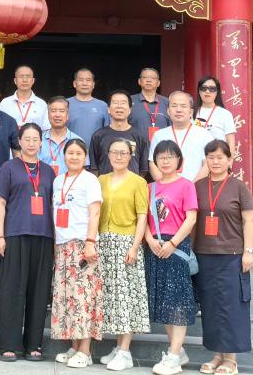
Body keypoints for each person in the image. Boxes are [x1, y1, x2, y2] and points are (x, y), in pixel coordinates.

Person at [0, 123, 56, 363]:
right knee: (11, 290)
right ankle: (7, 344)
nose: (30, 143)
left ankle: (33, 344)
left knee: (38, 292)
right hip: (15, 234)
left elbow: (53, 205)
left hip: (44, 236)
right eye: (26, 138)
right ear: (19, 141)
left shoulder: (49, 172)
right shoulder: (8, 168)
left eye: (35, 139)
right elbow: (0, 203)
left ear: (41, 143)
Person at [194, 140, 253, 375]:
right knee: (210, 307)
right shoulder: (198, 186)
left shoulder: (239, 187)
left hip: (232, 255)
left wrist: (248, 251)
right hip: (204, 254)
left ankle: (231, 359)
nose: (215, 161)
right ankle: (216, 356)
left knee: (232, 306)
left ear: (230, 160)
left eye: (220, 157)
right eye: (211, 157)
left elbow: (248, 220)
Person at [144, 140, 199, 375]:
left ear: (179, 160)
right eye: (161, 157)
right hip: (155, 247)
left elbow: (191, 218)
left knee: (177, 301)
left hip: (176, 246)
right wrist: (149, 240)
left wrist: (173, 243)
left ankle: (174, 356)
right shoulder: (150, 187)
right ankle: (177, 351)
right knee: (165, 302)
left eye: (170, 157)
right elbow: (143, 218)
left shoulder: (186, 185)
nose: (165, 161)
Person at [97, 138, 150, 372]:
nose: (118, 157)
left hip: (126, 242)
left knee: (126, 296)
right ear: (108, 155)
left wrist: (135, 246)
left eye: (123, 153)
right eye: (115, 152)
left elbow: (142, 217)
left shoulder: (139, 182)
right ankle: (118, 347)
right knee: (113, 297)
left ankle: (126, 351)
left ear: (130, 156)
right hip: (104, 242)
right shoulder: (100, 180)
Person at [51, 138, 103, 369]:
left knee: (83, 297)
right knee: (67, 297)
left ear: (85, 157)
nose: (73, 157)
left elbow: (95, 213)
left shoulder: (90, 180)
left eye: (78, 153)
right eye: (70, 153)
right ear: (64, 156)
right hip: (63, 245)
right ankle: (74, 346)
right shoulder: (58, 180)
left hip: (83, 244)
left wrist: (90, 242)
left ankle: (85, 350)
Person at [149, 91, 211, 183]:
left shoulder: (204, 134)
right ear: (168, 111)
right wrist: (168, 186)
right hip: (167, 189)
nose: (178, 110)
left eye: (183, 106)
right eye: (174, 106)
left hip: (196, 188)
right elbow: (153, 163)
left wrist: (190, 186)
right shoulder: (159, 135)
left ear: (191, 112)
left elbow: (208, 164)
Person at [89, 90, 150, 177]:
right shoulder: (98, 136)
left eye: (123, 103)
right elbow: (94, 168)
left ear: (130, 110)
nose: (119, 106)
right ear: (108, 109)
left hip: (131, 184)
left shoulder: (139, 136)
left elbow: (143, 169)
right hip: (105, 184)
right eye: (115, 103)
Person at [40, 96, 84, 176]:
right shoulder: (39, 140)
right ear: (48, 115)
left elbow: (83, 169)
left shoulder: (77, 141)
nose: (57, 115)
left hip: (69, 183)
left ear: (67, 115)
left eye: (62, 111)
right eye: (53, 111)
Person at [196, 76, 237, 158]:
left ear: (217, 92)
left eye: (212, 89)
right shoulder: (191, 112)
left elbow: (230, 141)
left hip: (217, 159)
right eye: (204, 88)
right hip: (196, 157)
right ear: (199, 91)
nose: (207, 91)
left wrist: (230, 160)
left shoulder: (225, 114)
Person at [0, 64, 48, 131]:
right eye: (21, 76)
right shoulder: (5, 103)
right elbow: (0, 127)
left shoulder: (42, 104)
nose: (25, 80)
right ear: (15, 81)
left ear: (33, 81)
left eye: (28, 76)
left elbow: (46, 129)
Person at [66, 68, 108, 144]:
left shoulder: (103, 106)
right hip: (70, 150)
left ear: (93, 84)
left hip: (95, 150)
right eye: (81, 80)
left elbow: (107, 132)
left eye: (88, 80)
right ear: (74, 83)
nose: (84, 83)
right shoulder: (65, 104)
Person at [129, 67, 170, 140]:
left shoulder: (167, 102)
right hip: (136, 145)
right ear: (139, 81)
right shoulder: (129, 101)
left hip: (162, 145)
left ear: (158, 83)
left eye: (153, 78)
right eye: (145, 77)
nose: (148, 80)